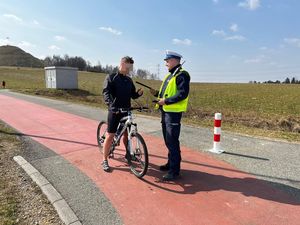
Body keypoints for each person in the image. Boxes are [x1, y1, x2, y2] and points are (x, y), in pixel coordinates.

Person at [150, 50, 190, 181]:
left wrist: (165, 101)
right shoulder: (170, 75)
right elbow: (167, 92)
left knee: (172, 141)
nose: (166, 63)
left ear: (175, 60)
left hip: (173, 114)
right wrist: (157, 94)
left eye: (167, 60)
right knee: (168, 140)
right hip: (165, 112)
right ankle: (170, 164)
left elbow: (182, 94)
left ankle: (174, 171)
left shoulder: (182, 75)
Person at [102, 56, 143, 172]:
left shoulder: (129, 80)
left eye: (132, 66)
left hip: (126, 110)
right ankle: (104, 160)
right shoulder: (111, 77)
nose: (131, 68)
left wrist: (138, 94)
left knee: (127, 134)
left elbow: (132, 95)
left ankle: (128, 154)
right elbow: (106, 93)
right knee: (110, 135)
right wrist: (111, 106)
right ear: (123, 63)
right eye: (129, 65)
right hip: (115, 111)